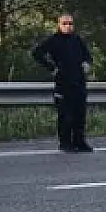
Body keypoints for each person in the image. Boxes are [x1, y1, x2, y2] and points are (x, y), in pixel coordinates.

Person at [32, 13, 93, 152]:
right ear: (59, 25)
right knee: (66, 116)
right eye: (65, 23)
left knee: (80, 115)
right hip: (63, 84)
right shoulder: (54, 40)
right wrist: (51, 68)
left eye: (70, 23)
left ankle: (80, 142)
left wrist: (86, 63)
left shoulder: (77, 40)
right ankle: (65, 143)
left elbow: (87, 55)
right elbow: (37, 53)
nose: (68, 26)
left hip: (79, 82)